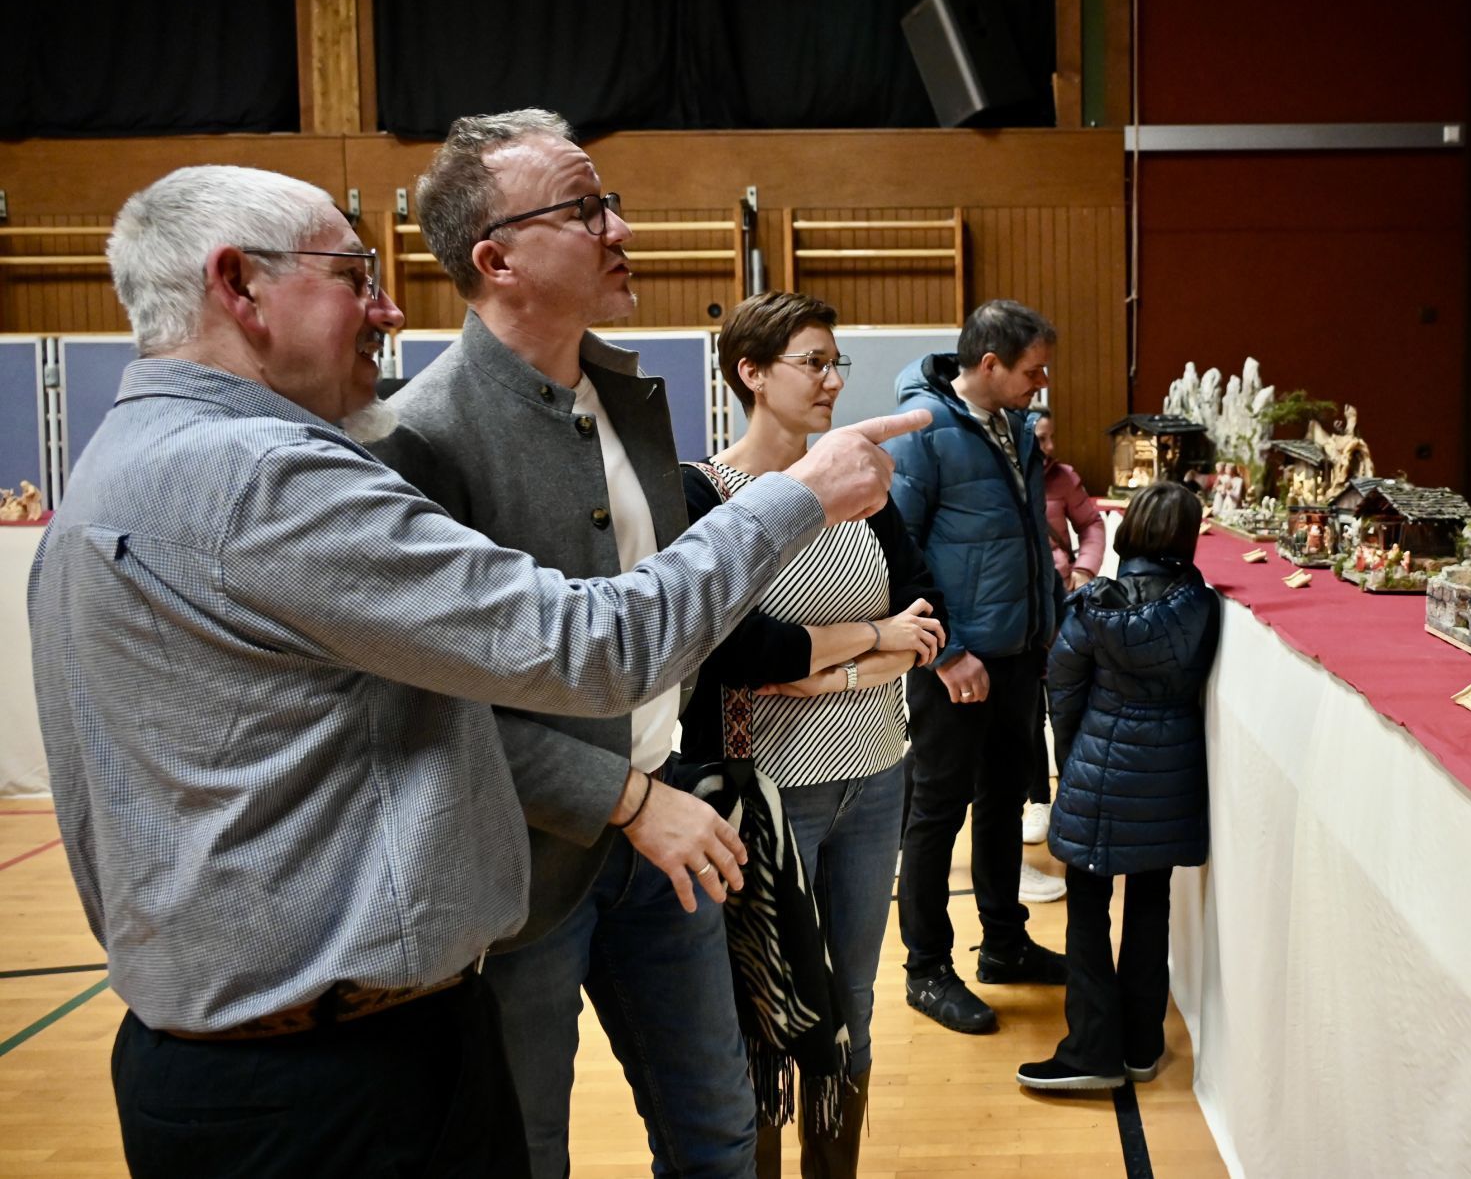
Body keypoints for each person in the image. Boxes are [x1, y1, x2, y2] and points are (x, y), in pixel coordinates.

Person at [27, 164, 920, 1178]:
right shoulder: (270, 476)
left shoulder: (129, 457)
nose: (387, 303)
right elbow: (591, 646)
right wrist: (793, 497)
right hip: (332, 1074)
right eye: (353, 273)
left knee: (710, 1122)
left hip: (269, 1052)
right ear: (239, 285)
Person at [370, 108, 778, 1175]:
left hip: (672, 827)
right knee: (525, 1152)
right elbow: (436, 709)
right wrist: (629, 802)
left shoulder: (630, 397)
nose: (619, 225)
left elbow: (670, 613)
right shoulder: (420, 435)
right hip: (522, 872)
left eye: (610, 202)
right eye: (585, 206)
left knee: (720, 1136)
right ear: (495, 258)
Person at [678, 291, 947, 1178]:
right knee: (766, 1008)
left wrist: (822, 668)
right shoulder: (706, 492)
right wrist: (876, 640)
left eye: (838, 364)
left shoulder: (864, 485)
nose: (833, 380)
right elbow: (739, 650)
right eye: (813, 362)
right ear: (751, 374)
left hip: (876, 775)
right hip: (765, 793)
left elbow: (928, 614)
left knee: (854, 1004)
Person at [888, 299, 1066, 1034]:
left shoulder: (1015, 429)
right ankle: (927, 967)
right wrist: (949, 651)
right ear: (989, 364)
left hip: (1020, 655)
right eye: (1032, 370)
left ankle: (1004, 943)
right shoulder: (924, 432)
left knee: (1002, 803)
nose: (1042, 382)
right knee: (936, 811)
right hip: (956, 662)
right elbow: (896, 547)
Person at [1019, 481, 1219, 1091]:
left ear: (1129, 532)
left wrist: (1079, 760)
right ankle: (1142, 1043)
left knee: (1087, 909)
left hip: (1098, 769)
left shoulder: (1091, 610)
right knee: (1150, 904)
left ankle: (1090, 1051)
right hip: (1172, 779)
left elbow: (1065, 700)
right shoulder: (1202, 607)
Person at [1023, 408, 1103, 849]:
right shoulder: (1003, 475)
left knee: (1067, 706)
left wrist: (1086, 568)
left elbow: (1091, 523)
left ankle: (1073, 801)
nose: (1049, 448)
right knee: (1029, 714)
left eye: (1052, 438)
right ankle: (1038, 800)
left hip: (1066, 608)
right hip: (1024, 611)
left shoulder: (1065, 478)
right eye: (1041, 438)